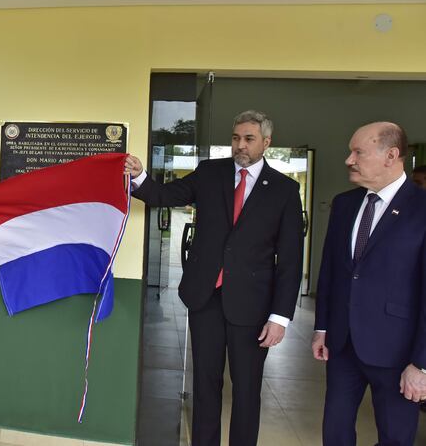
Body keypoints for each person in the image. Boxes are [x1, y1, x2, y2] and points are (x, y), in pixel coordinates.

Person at [125, 110, 304, 446]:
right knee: (205, 384)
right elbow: (166, 195)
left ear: (266, 142)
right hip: (206, 298)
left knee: (247, 388)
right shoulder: (210, 173)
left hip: (252, 305)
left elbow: (291, 261)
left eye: (249, 139)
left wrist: (279, 317)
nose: (240, 145)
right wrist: (139, 176)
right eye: (236, 138)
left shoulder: (284, 190)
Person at [312, 122, 426, 445]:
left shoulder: (422, 208)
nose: (349, 160)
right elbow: (331, 270)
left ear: (391, 155)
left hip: (398, 353)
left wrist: (422, 364)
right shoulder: (345, 204)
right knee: (334, 433)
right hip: (343, 344)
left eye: (358, 152)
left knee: (394, 438)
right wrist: (322, 326)